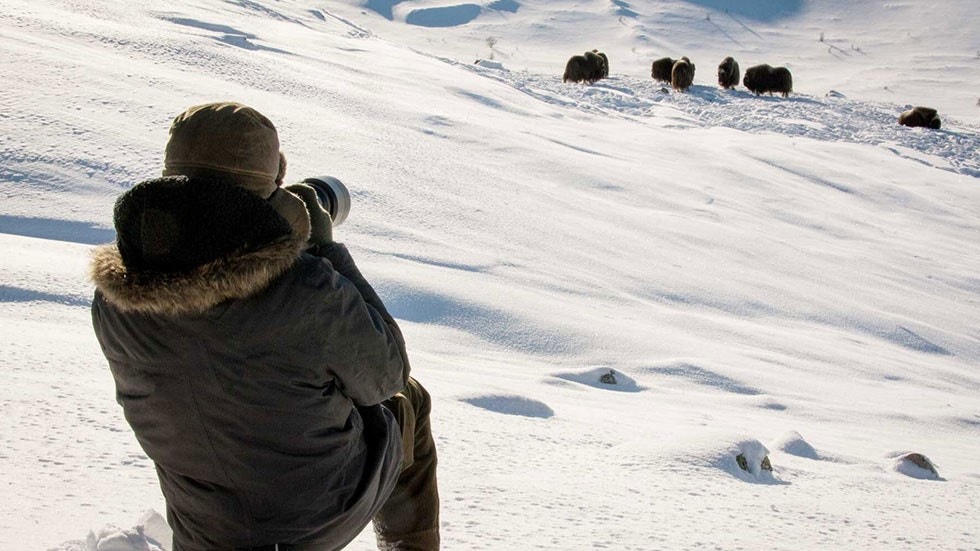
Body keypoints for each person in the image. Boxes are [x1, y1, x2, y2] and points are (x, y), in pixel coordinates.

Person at [89, 102, 440, 551]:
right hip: (313, 522)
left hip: (204, 527)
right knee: (408, 399)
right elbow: (385, 374)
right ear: (271, 187)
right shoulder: (306, 291)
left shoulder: (116, 296)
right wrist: (326, 253)